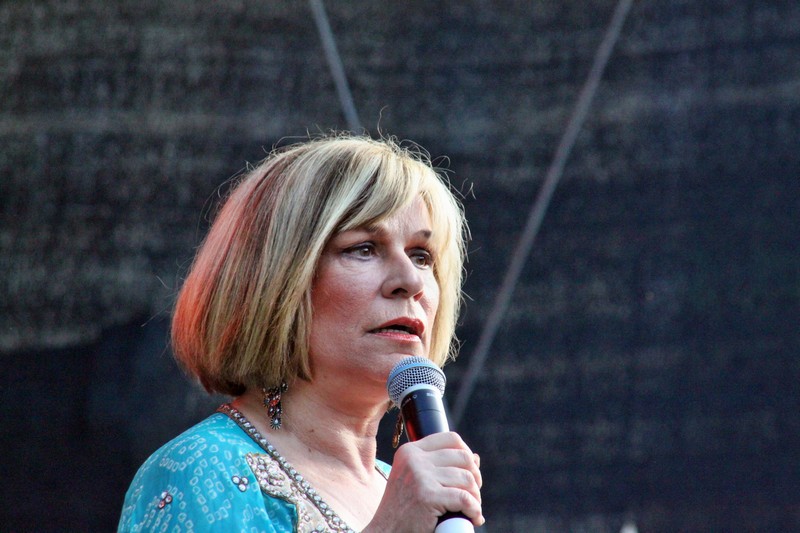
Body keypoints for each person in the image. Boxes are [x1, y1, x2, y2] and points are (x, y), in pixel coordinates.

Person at [118, 133, 484, 532]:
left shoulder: (412, 493)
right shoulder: (199, 470)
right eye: (364, 248)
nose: (410, 281)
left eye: (421, 256)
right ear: (276, 282)